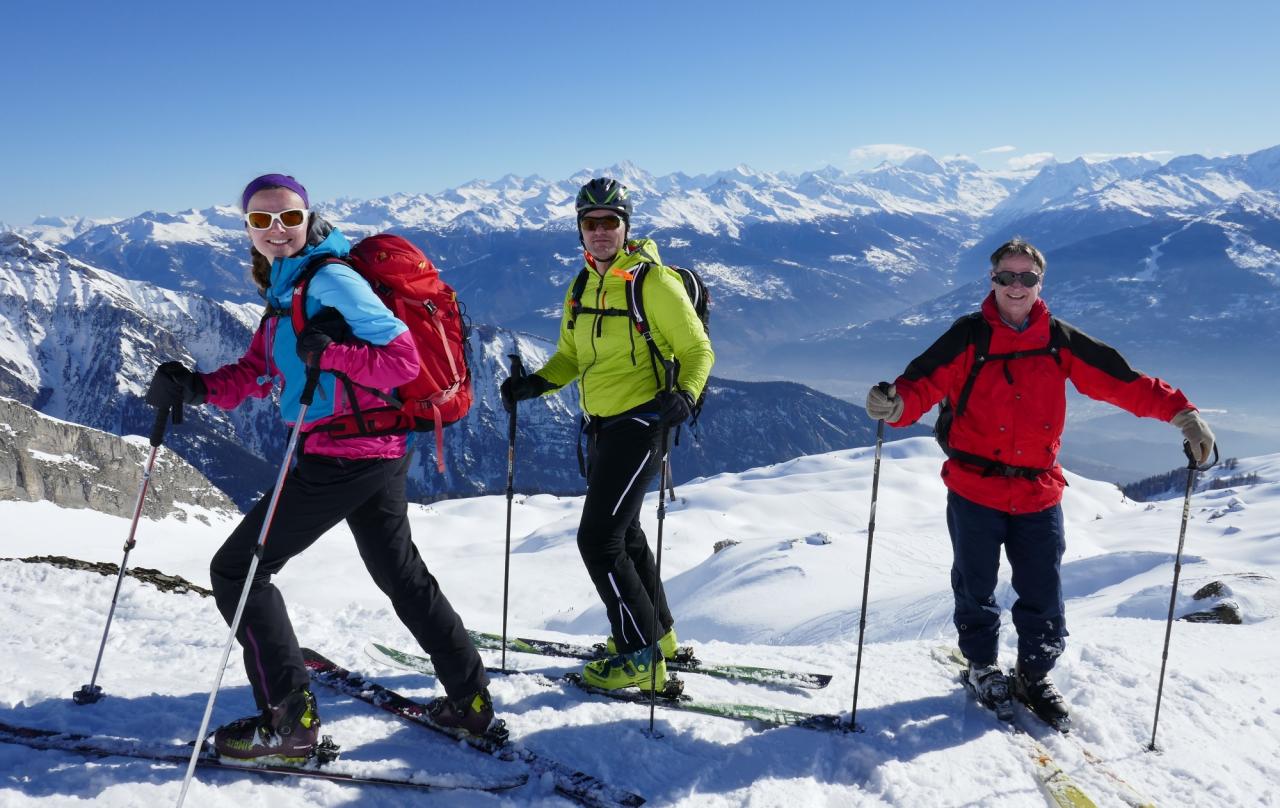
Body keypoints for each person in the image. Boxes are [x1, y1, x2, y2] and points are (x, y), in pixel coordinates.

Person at [146, 174, 493, 762]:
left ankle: (287, 726)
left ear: (309, 219)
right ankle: (471, 701)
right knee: (400, 574)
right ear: (248, 228)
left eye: (287, 218)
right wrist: (198, 387)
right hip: (376, 451)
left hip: (341, 456)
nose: (275, 230)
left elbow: (401, 360)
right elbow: (260, 371)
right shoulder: (289, 288)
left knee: (239, 571)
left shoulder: (329, 279)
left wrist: (330, 352)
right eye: (261, 221)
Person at [865, 238, 1215, 729]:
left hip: (1037, 492)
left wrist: (1183, 414)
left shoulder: (1059, 340)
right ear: (992, 281)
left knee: (1043, 592)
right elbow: (922, 383)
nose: (1016, 286)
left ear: (1039, 284)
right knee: (976, 586)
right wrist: (895, 405)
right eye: (1006, 277)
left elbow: (1122, 381)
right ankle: (983, 667)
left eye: (1026, 278)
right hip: (975, 489)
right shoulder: (968, 337)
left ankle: (1033, 674)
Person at [500, 178, 714, 691]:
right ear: (579, 229)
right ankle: (657, 636)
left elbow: (698, 351)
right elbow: (572, 356)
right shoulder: (580, 286)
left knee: (598, 540)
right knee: (626, 533)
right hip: (600, 425)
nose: (600, 232)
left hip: (643, 422)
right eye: (590, 223)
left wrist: (684, 395)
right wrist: (535, 384)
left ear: (626, 227)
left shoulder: (653, 284)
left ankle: (640, 656)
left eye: (609, 222)